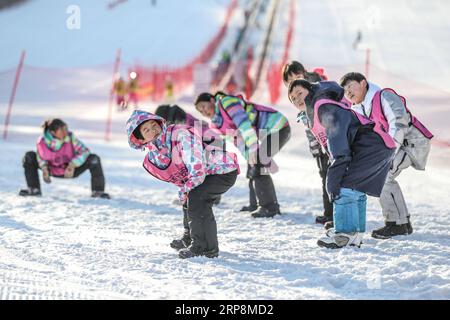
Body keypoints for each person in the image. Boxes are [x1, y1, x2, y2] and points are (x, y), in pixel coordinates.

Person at [288, 80, 395, 248]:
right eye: (293, 98)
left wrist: (333, 178)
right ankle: (355, 234)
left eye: (299, 93)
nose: (297, 100)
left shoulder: (323, 107)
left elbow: (338, 146)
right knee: (354, 188)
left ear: (310, 90)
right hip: (377, 145)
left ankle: (344, 233)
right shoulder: (315, 111)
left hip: (371, 144)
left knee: (343, 186)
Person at [126, 110, 239, 259]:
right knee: (189, 198)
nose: (152, 130)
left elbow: (197, 168)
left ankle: (205, 247)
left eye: (153, 124)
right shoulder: (155, 152)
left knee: (197, 197)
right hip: (203, 174)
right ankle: (190, 238)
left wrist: (186, 189)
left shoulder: (180, 134)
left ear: (159, 123)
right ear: (140, 139)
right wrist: (185, 190)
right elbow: (178, 174)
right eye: (146, 130)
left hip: (221, 170)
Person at [340, 72, 433, 239]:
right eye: (345, 90)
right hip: (394, 147)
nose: (348, 92)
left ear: (363, 83)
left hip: (411, 142)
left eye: (350, 86)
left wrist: (389, 152)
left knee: (383, 176)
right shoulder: (357, 109)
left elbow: (399, 124)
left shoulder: (383, 96)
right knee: (381, 176)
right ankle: (401, 223)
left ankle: (397, 224)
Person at [195, 91, 291, 218]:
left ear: (212, 100)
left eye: (203, 106)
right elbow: (238, 140)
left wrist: (253, 150)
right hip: (264, 134)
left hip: (278, 127)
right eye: (200, 111)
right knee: (254, 164)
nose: (204, 111)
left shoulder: (227, 102)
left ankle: (270, 207)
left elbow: (244, 125)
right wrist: (249, 156)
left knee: (259, 161)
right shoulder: (216, 124)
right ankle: (255, 204)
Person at [282, 61, 332, 225]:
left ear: (303, 73)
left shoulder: (313, 88)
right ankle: (329, 212)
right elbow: (308, 123)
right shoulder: (300, 93)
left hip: (330, 137)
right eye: (289, 81)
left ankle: (333, 214)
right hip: (319, 141)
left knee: (330, 175)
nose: (294, 81)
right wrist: (314, 146)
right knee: (325, 175)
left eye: (296, 76)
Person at [19, 118, 110, 199]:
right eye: (62, 130)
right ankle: (33, 189)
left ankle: (98, 191)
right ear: (53, 132)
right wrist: (44, 168)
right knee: (29, 156)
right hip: (52, 170)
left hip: (70, 170)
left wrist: (72, 164)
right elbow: (40, 157)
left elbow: (85, 151)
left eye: (66, 128)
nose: (66, 132)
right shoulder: (42, 142)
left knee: (94, 159)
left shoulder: (70, 138)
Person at [155, 104, 222, 206]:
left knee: (199, 170)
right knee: (205, 170)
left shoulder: (179, 120)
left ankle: (205, 198)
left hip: (209, 142)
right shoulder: (181, 115)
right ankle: (210, 197)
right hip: (213, 140)